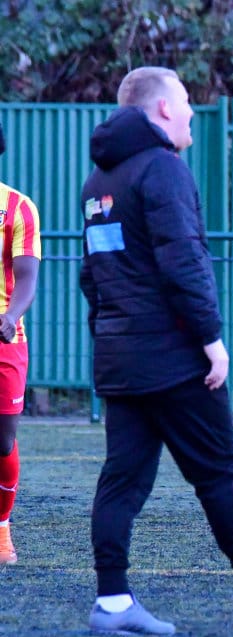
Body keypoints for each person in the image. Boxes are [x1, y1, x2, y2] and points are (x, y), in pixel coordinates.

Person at [79, 66, 233, 634]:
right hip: (174, 357)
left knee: (122, 479)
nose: (193, 110)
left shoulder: (97, 181)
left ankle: (112, 602)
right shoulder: (163, 168)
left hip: (122, 357)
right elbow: (183, 261)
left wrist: (113, 339)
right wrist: (211, 340)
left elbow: (91, 276)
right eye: (187, 99)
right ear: (164, 108)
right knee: (218, 472)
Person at [0, 120, 42, 565]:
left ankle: (1, 527)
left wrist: (11, 317)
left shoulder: (17, 207)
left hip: (3, 338)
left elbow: (27, 276)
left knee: (2, 439)